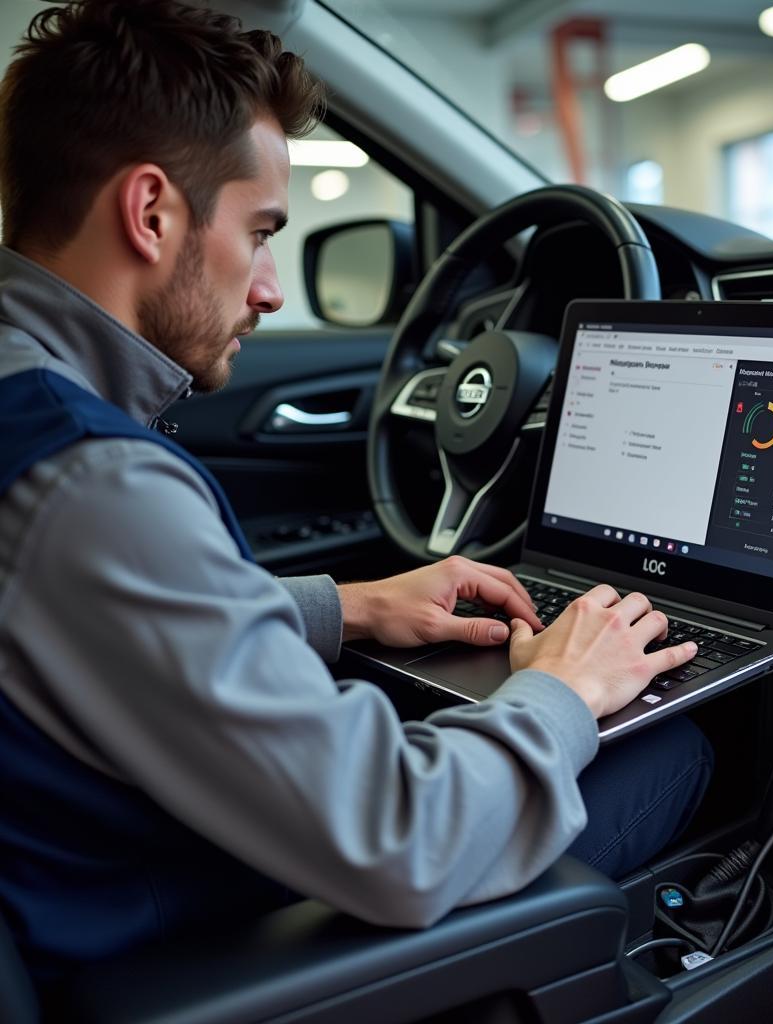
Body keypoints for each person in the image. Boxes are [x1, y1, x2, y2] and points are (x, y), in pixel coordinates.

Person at [0, 0, 712, 990]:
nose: (270, 289)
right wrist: (566, 687)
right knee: (666, 744)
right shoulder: (94, 482)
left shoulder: (25, 403)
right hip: (143, 929)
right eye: (259, 233)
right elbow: (402, 839)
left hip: (73, 863)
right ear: (151, 212)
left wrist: (350, 606)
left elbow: (77, 621)